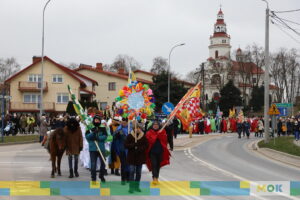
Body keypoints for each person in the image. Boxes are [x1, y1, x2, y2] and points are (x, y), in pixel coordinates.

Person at [124, 122, 148, 193]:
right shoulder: (130, 136)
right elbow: (125, 145)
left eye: (138, 128)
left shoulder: (143, 136)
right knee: (131, 172)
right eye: (135, 128)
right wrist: (133, 145)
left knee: (138, 172)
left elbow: (146, 145)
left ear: (140, 129)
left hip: (140, 157)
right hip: (132, 157)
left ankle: (137, 186)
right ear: (133, 128)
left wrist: (140, 148)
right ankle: (131, 187)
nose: (137, 129)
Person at [145, 121, 170, 185]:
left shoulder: (162, 131)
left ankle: (157, 177)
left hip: (160, 151)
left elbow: (165, 140)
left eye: (157, 125)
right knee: (154, 165)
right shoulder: (149, 132)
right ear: (152, 125)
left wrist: (160, 135)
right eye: (154, 124)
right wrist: (155, 136)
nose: (155, 126)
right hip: (152, 152)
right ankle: (154, 178)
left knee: (158, 165)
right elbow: (148, 140)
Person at [86, 115, 108, 182]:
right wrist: (93, 133)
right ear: (93, 120)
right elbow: (87, 137)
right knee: (93, 164)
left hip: (101, 148)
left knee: (103, 163)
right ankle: (93, 177)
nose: (97, 121)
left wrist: (99, 138)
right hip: (93, 148)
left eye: (98, 120)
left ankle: (101, 175)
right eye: (95, 120)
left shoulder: (103, 128)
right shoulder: (90, 128)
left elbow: (105, 136)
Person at [113, 118, 131, 184]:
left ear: (127, 123)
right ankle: (123, 179)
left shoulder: (131, 128)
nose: (123, 124)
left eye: (124, 123)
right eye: (122, 123)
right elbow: (114, 138)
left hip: (129, 149)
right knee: (123, 164)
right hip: (122, 149)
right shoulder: (119, 129)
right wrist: (116, 134)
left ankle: (128, 177)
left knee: (129, 164)